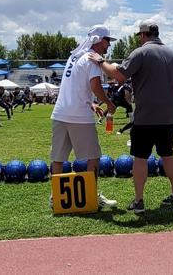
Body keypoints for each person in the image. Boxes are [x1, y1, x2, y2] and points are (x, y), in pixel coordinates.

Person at [92, 21, 173, 214]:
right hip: (169, 117)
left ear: (143, 35)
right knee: (167, 154)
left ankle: (138, 201)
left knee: (140, 157)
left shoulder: (140, 53)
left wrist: (100, 61)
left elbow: (119, 76)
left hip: (146, 117)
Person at [50, 25, 120, 209]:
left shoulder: (74, 57)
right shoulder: (92, 59)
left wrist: (91, 103)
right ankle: (91, 196)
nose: (109, 45)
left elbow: (75, 87)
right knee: (94, 157)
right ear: (99, 40)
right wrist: (109, 103)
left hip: (60, 113)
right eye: (107, 41)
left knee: (58, 158)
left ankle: (55, 197)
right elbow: (95, 86)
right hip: (79, 116)